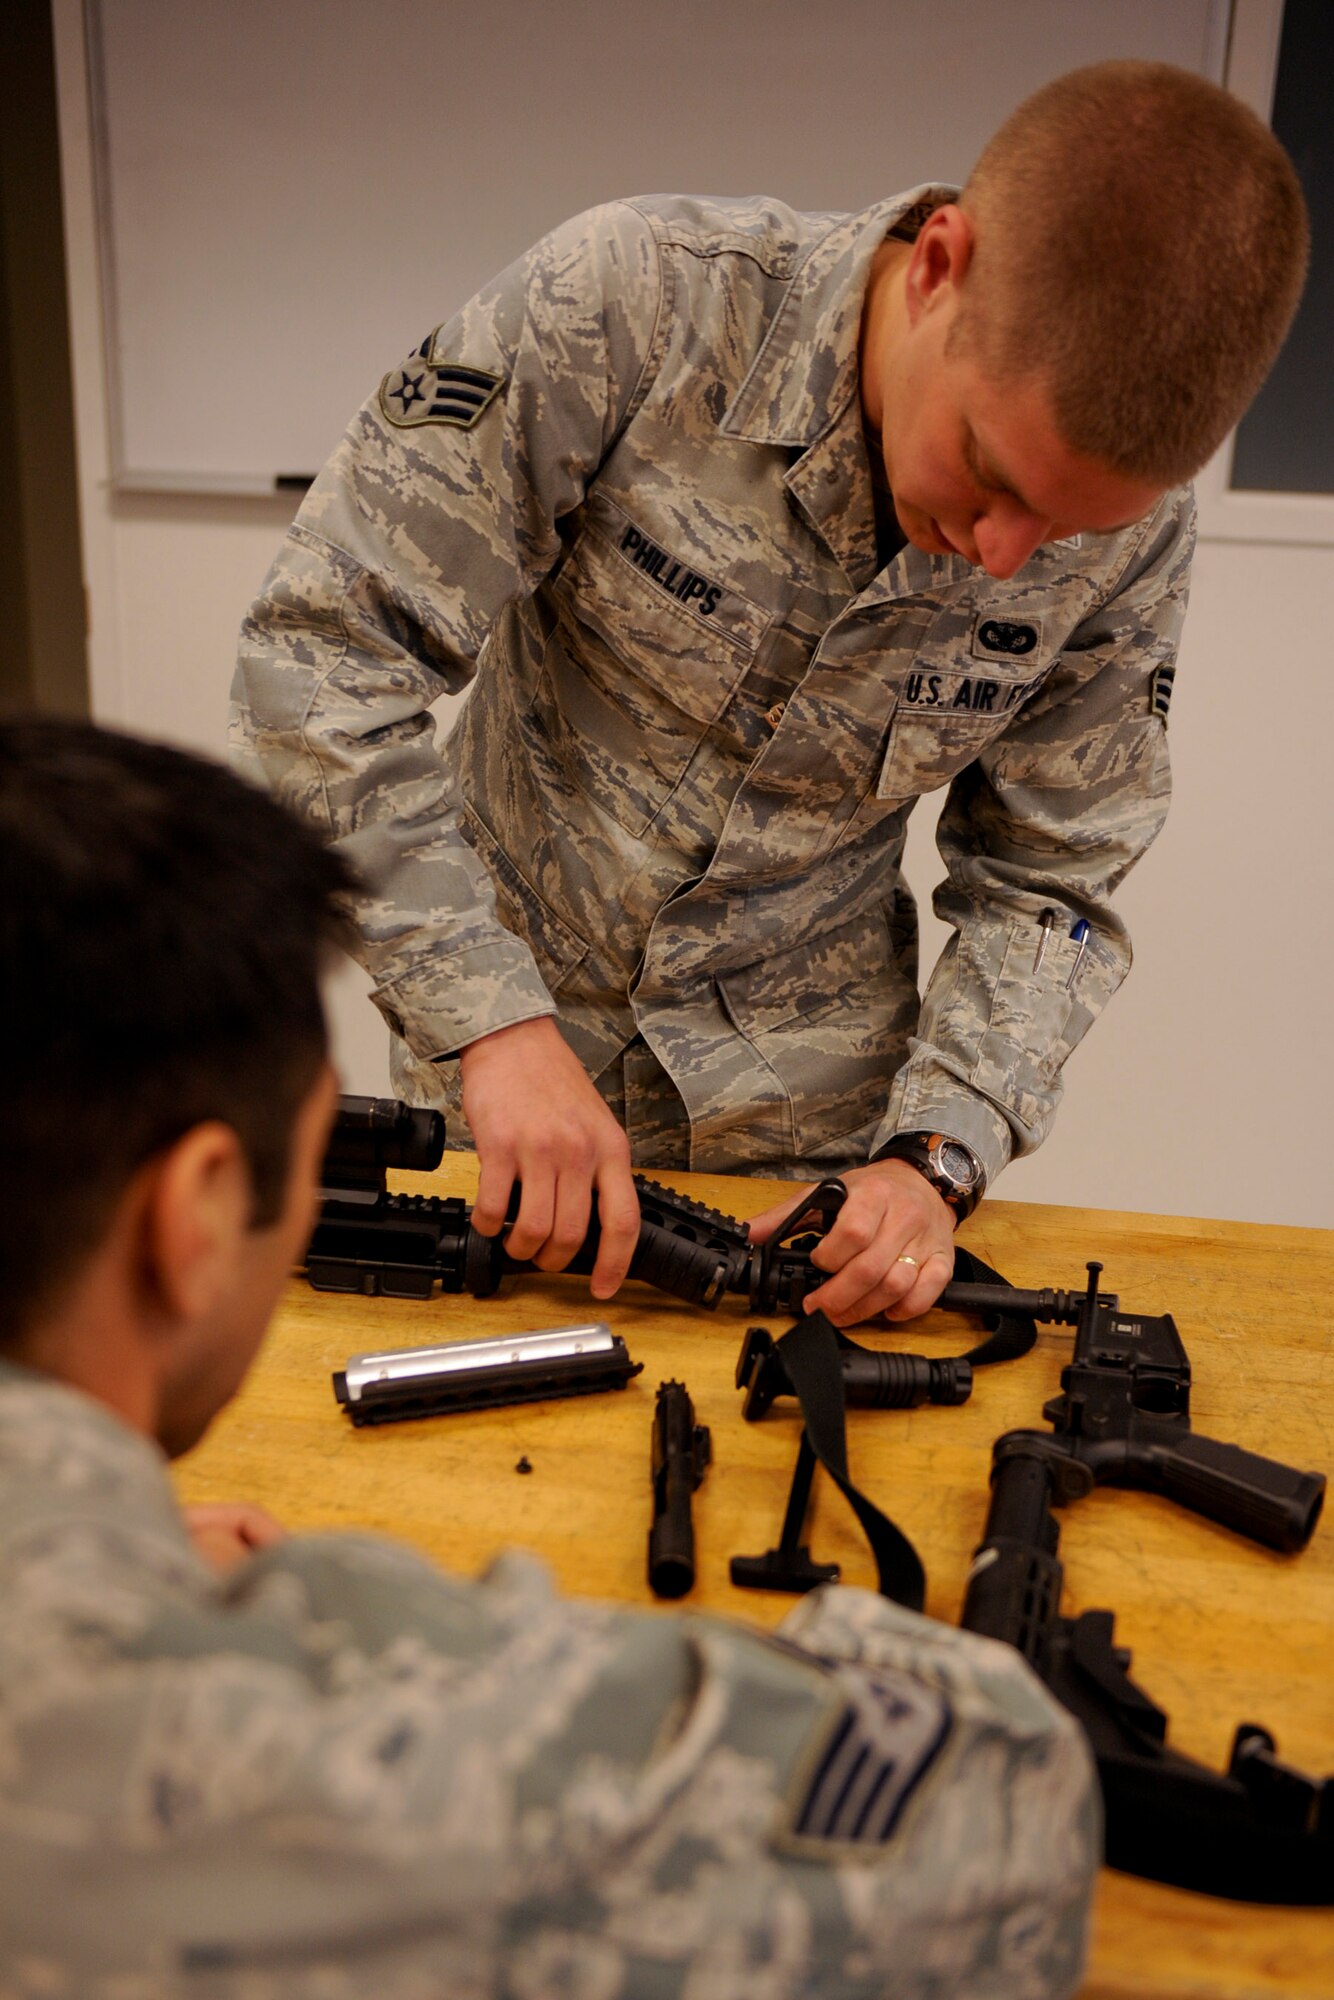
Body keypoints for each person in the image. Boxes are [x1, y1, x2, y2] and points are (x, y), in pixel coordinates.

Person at [0, 716, 1097, 1996]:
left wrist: (85, 1545)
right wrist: (360, 1618)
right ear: (192, 1221)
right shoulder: (283, 1753)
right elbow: (1008, 1799)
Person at [230, 61, 1307, 1329]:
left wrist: (937, 1155)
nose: (1006, 553)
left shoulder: (1132, 533)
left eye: (1064, 527)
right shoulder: (629, 305)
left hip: (819, 1154)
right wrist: (485, 1020)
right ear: (937, 265)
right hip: (515, 1091)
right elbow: (323, 653)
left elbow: (1050, 882)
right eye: (986, 469)